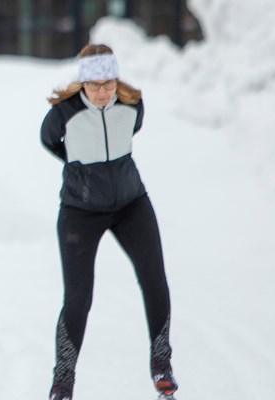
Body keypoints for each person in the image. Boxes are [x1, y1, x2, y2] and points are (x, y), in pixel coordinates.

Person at [40, 44, 177, 400]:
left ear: (117, 80)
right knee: (78, 297)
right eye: (94, 84)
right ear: (82, 83)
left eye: (108, 83)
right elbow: (49, 141)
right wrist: (81, 169)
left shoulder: (132, 104)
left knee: (154, 280)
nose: (102, 92)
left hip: (131, 204)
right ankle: (63, 382)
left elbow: (131, 132)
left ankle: (161, 364)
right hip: (79, 212)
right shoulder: (64, 112)